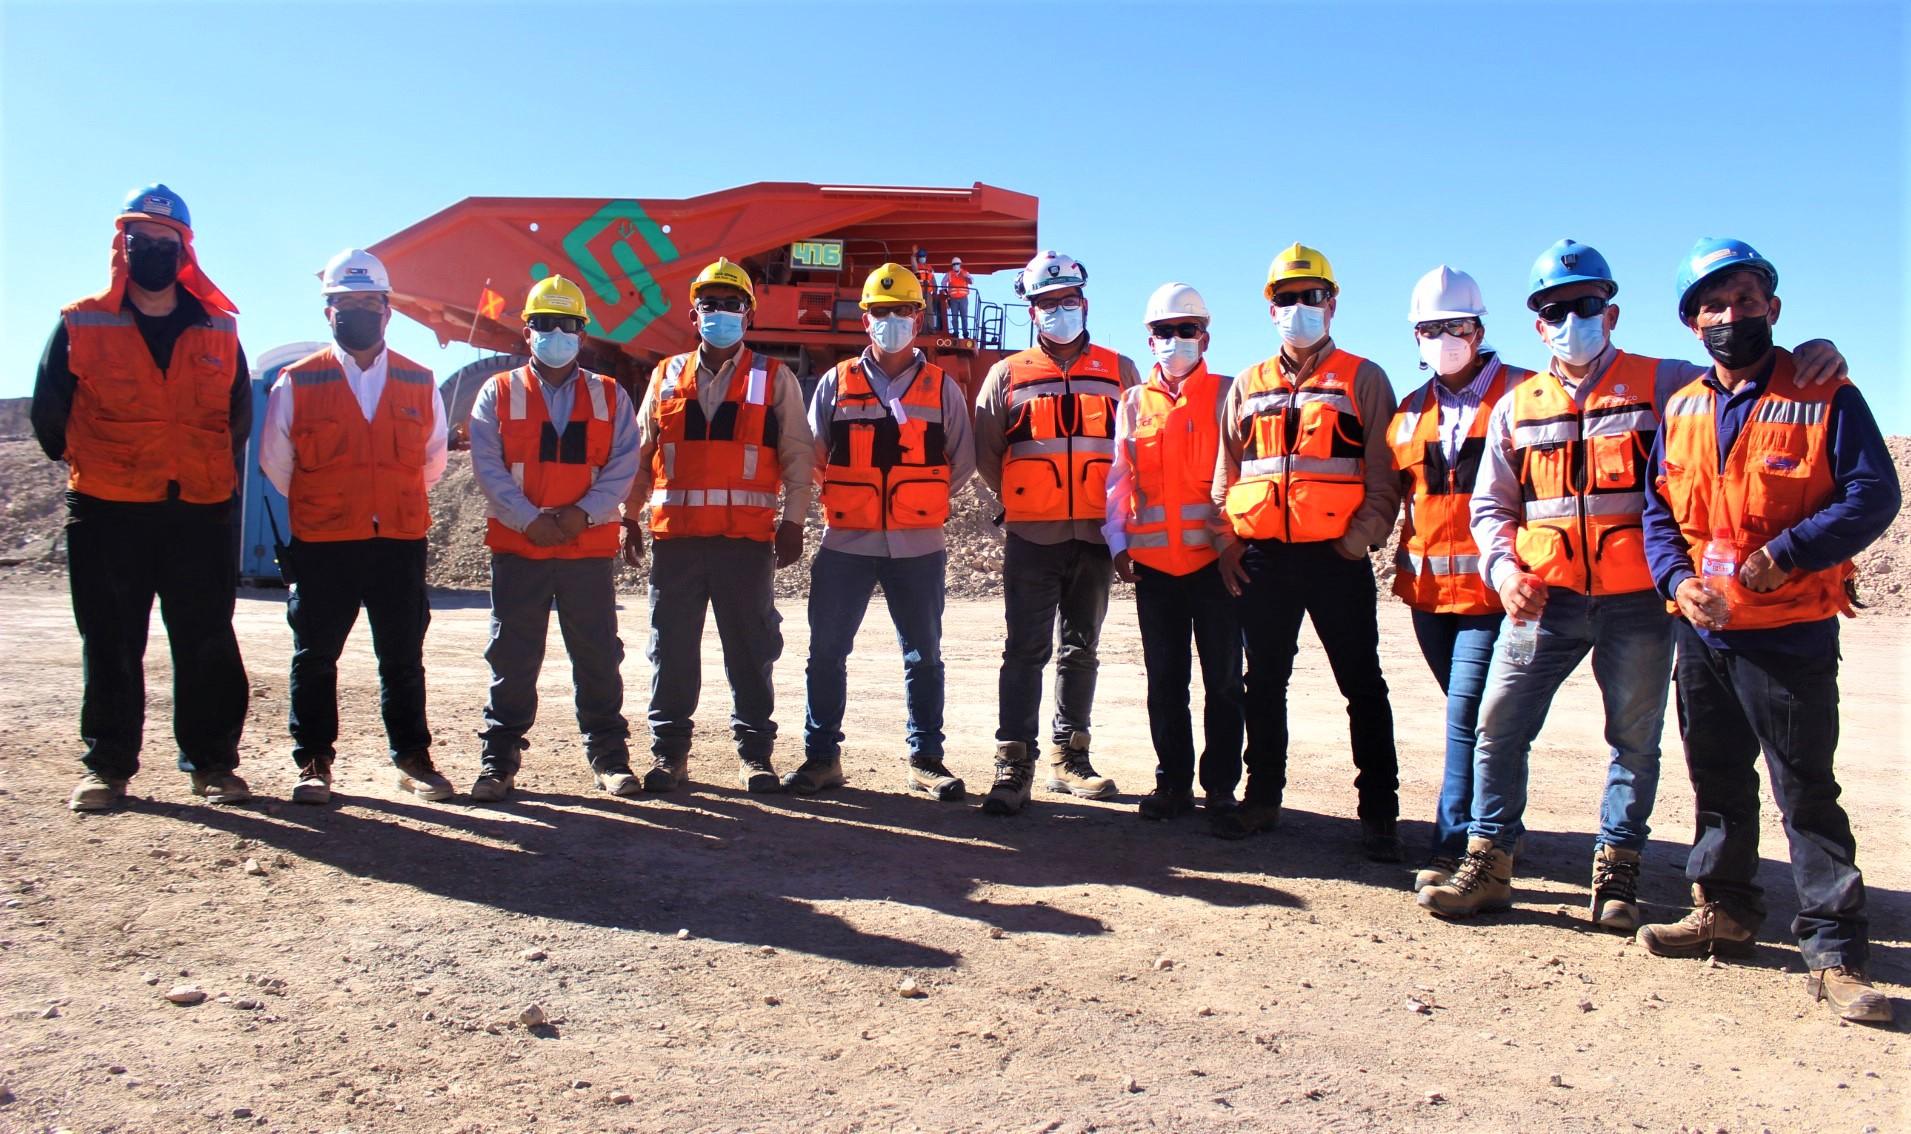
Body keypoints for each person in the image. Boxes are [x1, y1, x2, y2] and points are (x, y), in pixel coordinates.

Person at [1418, 238, 1849, 928]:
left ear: (1610, 313)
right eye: (1554, 310)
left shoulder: (1665, 381)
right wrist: (1503, 572)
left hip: (1639, 604)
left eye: (1586, 304)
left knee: (1634, 739)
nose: (1571, 320)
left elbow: (1743, 376)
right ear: (1537, 326)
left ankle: (1617, 870)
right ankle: (1488, 860)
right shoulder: (1515, 407)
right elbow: (1492, 508)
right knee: (1497, 725)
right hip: (1542, 602)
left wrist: (1810, 353)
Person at [1637, 238, 1897, 1024]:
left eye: (1744, 301)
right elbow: (1657, 512)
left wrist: (1784, 556)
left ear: (1771, 309)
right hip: (1705, 632)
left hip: (1787, 630)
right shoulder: (1681, 407)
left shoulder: (1822, 392)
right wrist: (1676, 582)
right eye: (1712, 305)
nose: (1730, 316)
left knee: (1804, 791)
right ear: (1690, 323)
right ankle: (1724, 910)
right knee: (1716, 781)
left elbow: (1871, 494)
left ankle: (1833, 948)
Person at [35, 184, 252, 812]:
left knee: (206, 639)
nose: (154, 249)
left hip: (198, 510)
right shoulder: (80, 322)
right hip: (108, 510)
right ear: (122, 245)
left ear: (184, 250)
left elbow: (236, 418)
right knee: (110, 639)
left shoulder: (218, 328)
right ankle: (106, 768)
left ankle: (212, 766)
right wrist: (110, 465)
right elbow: (50, 418)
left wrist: (194, 468)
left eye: (166, 241)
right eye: (142, 239)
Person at [1211, 244, 1403, 860]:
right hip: (1264, 558)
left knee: (1362, 684)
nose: (1299, 307)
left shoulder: (1364, 378)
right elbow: (1227, 473)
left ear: (1332, 303)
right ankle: (1262, 798)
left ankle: (1379, 813)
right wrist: (1227, 540)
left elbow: (1385, 475)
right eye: (1286, 298)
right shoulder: (1248, 383)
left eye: (1311, 296)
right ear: (1271, 309)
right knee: (1264, 682)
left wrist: (1358, 539)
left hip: (1336, 559)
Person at [259, 248, 451, 805]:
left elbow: (432, 461)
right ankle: (313, 761)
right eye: (347, 304)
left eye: (369, 303)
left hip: (397, 541)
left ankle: (412, 759)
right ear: (329, 313)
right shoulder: (297, 382)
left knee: (402, 658)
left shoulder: (419, 380)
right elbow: (277, 463)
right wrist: (335, 503)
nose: (359, 313)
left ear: (387, 311)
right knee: (316, 657)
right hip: (324, 544)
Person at [784, 264, 976, 799]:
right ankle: (821, 757)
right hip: (845, 542)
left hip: (919, 546)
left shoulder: (942, 388)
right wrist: (856, 500)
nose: (893, 320)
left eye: (903, 311)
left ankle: (927, 759)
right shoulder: (835, 382)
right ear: (865, 319)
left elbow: (962, 461)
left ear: (920, 318)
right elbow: (814, 455)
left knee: (924, 656)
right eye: (882, 312)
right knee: (826, 653)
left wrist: (916, 501)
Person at [625, 258, 815, 794]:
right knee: (671, 649)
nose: (721, 313)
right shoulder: (665, 375)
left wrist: (794, 521)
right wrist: (627, 516)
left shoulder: (774, 378)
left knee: (751, 649)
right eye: (710, 304)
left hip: (745, 542)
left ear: (748, 315)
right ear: (694, 314)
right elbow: (641, 455)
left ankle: (755, 757)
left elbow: (798, 455)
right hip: (677, 541)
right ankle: (669, 755)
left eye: (732, 304)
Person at [972, 250, 1139, 816]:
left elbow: (1135, 449)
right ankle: (1014, 762)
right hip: (1032, 536)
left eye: (1067, 300)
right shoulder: (1007, 374)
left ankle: (1071, 757)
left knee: (1081, 649)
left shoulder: (1121, 370)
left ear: (1084, 303)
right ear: (1032, 311)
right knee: (1024, 650)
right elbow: (988, 452)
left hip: (1096, 535)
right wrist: (1027, 497)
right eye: (1047, 302)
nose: (1059, 310)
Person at [466, 275, 641, 801]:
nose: (557, 334)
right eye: (545, 323)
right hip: (521, 549)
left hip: (586, 550)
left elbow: (624, 463)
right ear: (527, 331)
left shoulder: (610, 395)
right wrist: (529, 520)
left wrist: (582, 515)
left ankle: (610, 758)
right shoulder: (497, 392)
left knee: (597, 657)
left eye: (567, 324)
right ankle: (498, 761)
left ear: (583, 334)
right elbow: (488, 466)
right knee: (512, 658)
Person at [1388, 266, 1531, 889]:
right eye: (1431, 328)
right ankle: (1498, 832)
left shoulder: (1526, 393)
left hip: (1496, 592)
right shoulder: (1409, 410)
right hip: (1427, 596)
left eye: (1457, 326)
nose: (1445, 339)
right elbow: (1393, 493)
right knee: (1482, 720)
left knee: (1468, 715)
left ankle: (1453, 847)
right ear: (1415, 336)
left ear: (1478, 328)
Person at [1104, 283, 1243, 821]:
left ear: (1204, 337)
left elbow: (1242, 474)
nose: (1175, 339)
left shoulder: (1229, 394)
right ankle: (1173, 785)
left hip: (1216, 564)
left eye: (1186, 329)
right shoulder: (1134, 402)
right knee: (1165, 683)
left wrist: (1235, 544)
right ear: (1150, 339)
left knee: (1224, 683)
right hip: (1155, 569)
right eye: (1164, 331)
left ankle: (1222, 788)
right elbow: (1120, 477)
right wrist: (1118, 541)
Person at [944, 256, 974, 339]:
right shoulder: (949, 274)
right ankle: (956, 333)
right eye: (954, 264)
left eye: (957, 264)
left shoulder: (965, 273)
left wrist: (965, 278)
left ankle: (965, 334)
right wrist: (946, 293)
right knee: (954, 317)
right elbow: (943, 283)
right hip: (953, 299)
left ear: (960, 264)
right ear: (952, 265)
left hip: (963, 298)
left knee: (964, 317)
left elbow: (972, 281)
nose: (955, 265)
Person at [913, 249, 941, 333]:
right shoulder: (916, 267)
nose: (922, 258)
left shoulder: (929, 268)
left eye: (923, 256)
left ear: (925, 257)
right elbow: (913, 264)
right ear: (918, 258)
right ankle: (919, 328)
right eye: (921, 256)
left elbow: (933, 279)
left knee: (929, 310)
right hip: (919, 292)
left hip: (928, 292)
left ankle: (931, 328)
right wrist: (913, 255)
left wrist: (935, 291)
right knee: (919, 310)